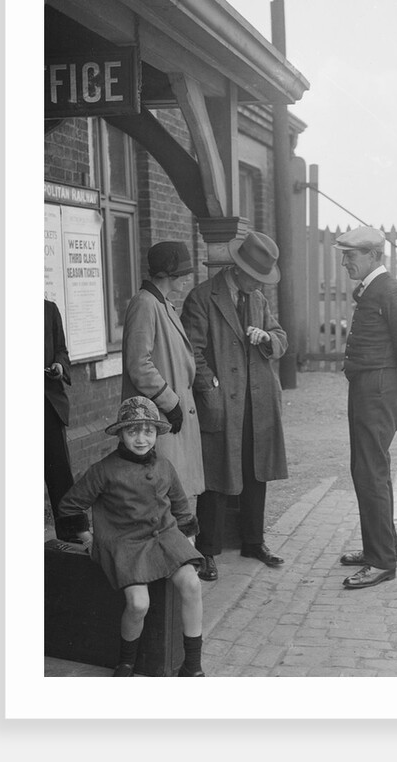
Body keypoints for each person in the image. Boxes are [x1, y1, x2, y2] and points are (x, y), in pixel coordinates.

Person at [58, 396, 206, 677]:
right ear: (121, 434)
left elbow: (181, 507)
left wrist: (187, 539)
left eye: (148, 431)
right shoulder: (103, 470)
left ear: (156, 435)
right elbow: (69, 505)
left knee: (192, 584)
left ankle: (193, 666)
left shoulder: (164, 465)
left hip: (164, 536)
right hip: (124, 542)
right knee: (139, 603)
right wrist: (88, 538)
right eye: (133, 431)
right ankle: (126, 663)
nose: (141, 439)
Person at [180, 231, 288, 582]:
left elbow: (280, 337)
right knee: (216, 476)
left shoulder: (257, 298)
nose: (259, 284)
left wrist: (268, 339)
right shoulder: (202, 298)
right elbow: (191, 351)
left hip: (257, 402)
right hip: (222, 402)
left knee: (256, 471)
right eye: (256, 277)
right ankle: (206, 551)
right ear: (239, 270)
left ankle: (253, 542)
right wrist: (209, 384)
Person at [334, 227, 397, 590]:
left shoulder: (391, 291)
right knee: (370, 470)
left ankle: (381, 561)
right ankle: (381, 548)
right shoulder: (375, 290)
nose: (344, 262)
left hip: (378, 388)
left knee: (370, 472)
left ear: (372, 255)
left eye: (350, 255)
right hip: (369, 387)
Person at [121, 241, 205, 505]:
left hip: (166, 417)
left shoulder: (161, 303)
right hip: (157, 416)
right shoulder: (145, 304)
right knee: (160, 498)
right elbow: (139, 364)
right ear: (170, 274)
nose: (187, 278)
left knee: (172, 497)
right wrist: (172, 402)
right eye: (183, 272)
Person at [44, 298, 90, 542]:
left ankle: (71, 539)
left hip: (48, 404)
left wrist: (59, 366)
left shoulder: (48, 310)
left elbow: (62, 350)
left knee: (60, 476)